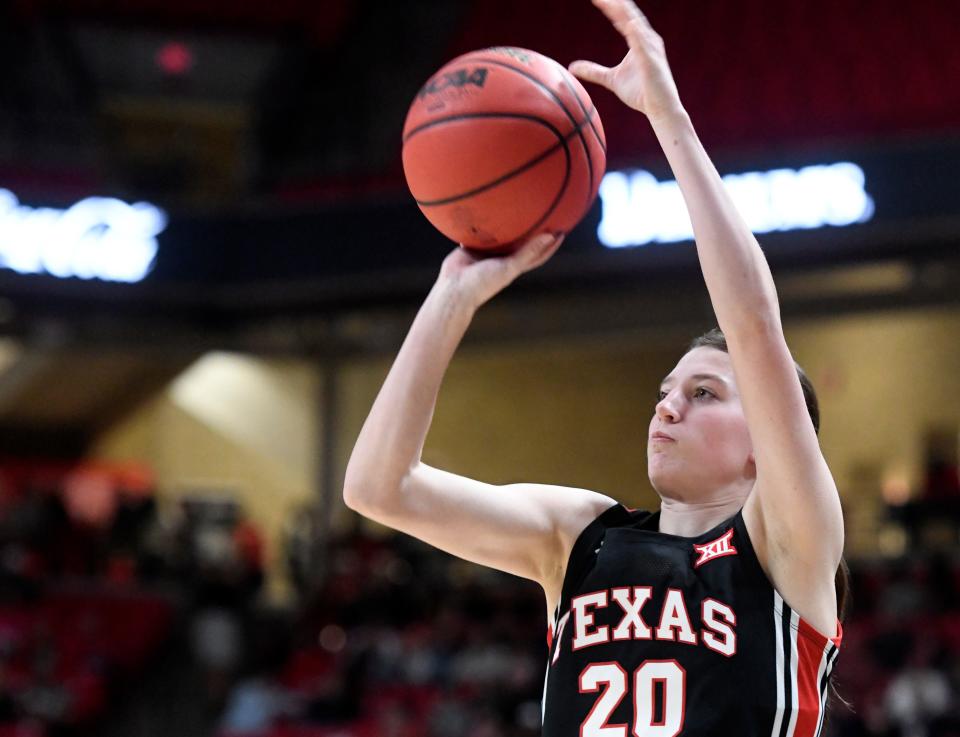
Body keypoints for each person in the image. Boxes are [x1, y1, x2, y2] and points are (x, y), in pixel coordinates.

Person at [344, 0, 846, 734]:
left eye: (704, 392)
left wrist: (667, 118)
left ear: (761, 444)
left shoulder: (787, 549)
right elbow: (378, 487)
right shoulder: (581, 535)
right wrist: (452, 296)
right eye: (665, 391)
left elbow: (753, 322)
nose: (667, 407)